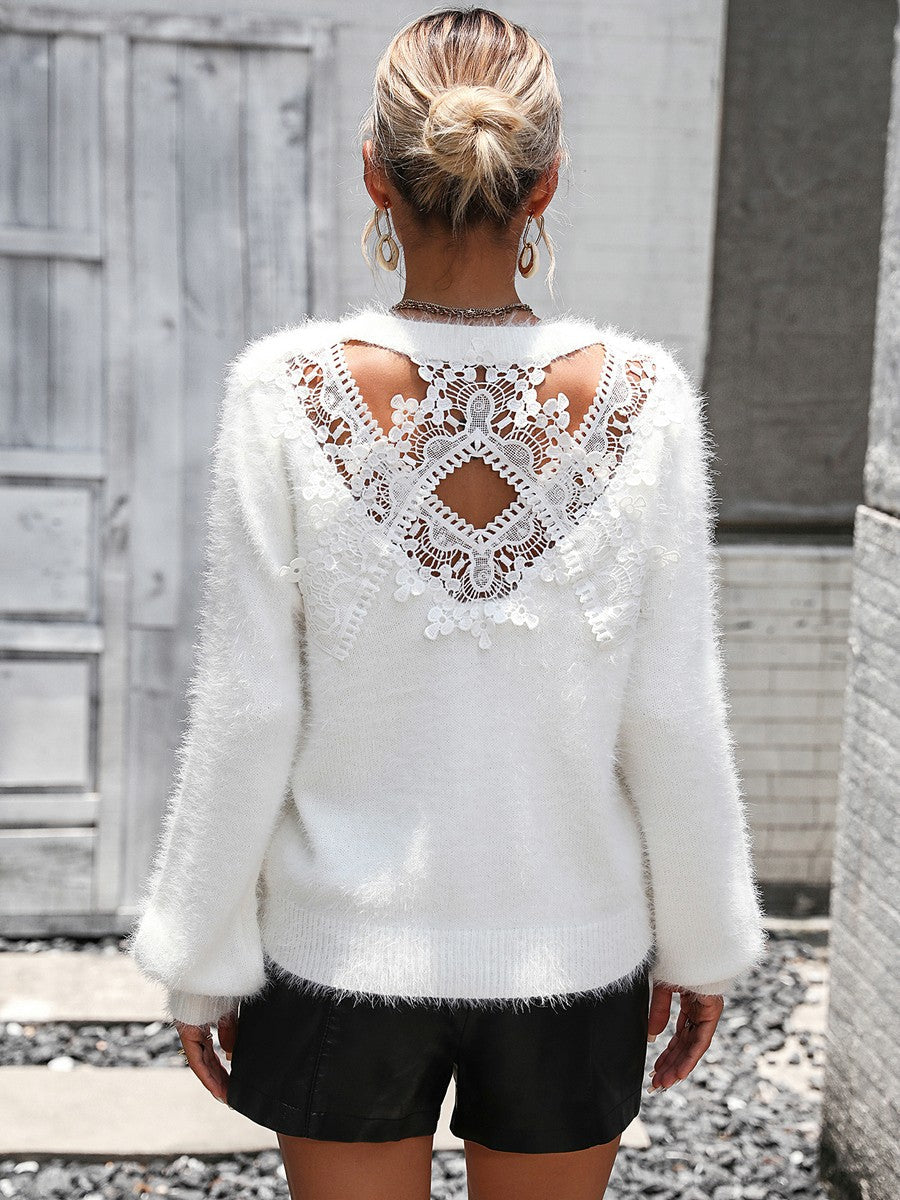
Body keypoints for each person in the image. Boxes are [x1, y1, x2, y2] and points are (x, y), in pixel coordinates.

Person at [125, 8, 768, 1199]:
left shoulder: (281, 392)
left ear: (376, 173)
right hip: (572, 957)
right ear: (546, 182)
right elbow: (671, 710)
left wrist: (200, 954)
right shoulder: (648, 399)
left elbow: (251, 709)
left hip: (336, 963)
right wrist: (701, 940)